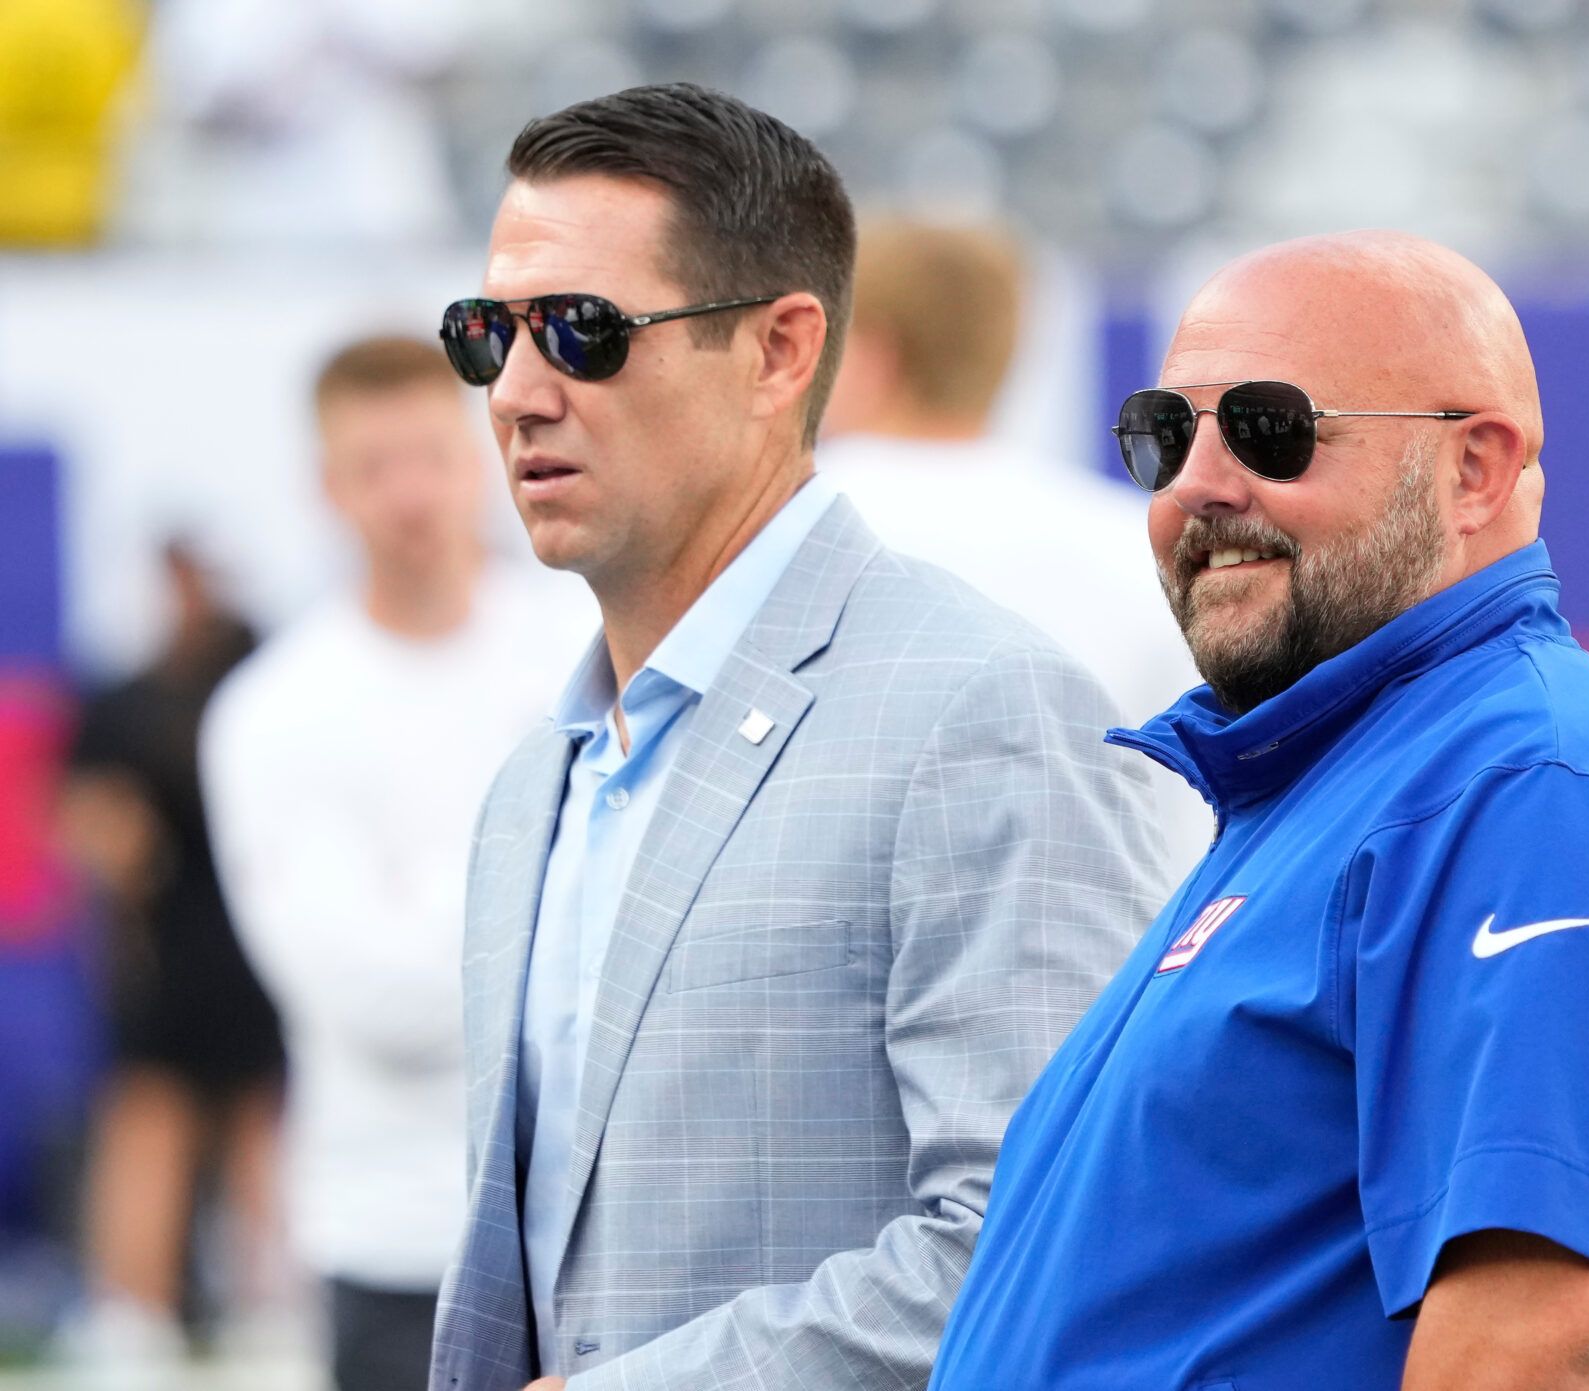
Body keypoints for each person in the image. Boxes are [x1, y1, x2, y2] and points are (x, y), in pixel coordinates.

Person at [926, 231, 1589, 1391]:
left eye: (1272, 427)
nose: (1200, 482)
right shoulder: (1338, 791)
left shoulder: (1541, 788)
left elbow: (1544, 1346)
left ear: (1475, 470)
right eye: (1166, 435)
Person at [429, 83, 1168, 1391]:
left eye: (585, 331)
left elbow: (1043, 1239)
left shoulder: (978, 707)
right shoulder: (536, 775)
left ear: (781, 351)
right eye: (489, 332)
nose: (520, 392)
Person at [199, 338, 591, 1391]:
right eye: (374, 466)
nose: (409, 494)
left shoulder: (585, 647)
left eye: (428, 455)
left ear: (476, 457)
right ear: (327, 488)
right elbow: (371, 994)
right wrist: (555, 894)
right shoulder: (271, 710)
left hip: (598, 1227)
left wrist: (432, 893)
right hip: (394, 1237)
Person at [818, 215, 1209, 861]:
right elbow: (1189, 813)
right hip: (1106, 941)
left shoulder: (763, 531)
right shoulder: (1143, 545)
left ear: (867, 352)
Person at [56, 541, 284, 1370]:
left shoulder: (257, 678)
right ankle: (135, 1308)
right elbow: (97, 827)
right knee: (153, 1122)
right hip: (167, 946)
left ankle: (270, 1298)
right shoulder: (122, 702)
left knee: (258, 1119)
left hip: (253, 933)